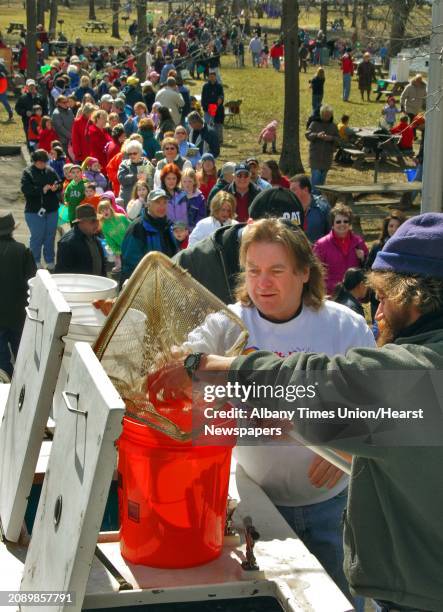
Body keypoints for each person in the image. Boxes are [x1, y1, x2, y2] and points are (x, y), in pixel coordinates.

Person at [151, 212, 443, 612]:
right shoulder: (230, 322)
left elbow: (341, 388)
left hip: (413, 583)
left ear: (414, 298)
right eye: (253, 270)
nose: (378, 311)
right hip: (261, 500)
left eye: (386, 296)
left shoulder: (420, 368)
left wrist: (224, 368)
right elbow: (396, 422)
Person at [0, 211, 36, 380]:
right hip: (18, 316)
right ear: (12, 230)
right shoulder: (22, 251)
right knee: (22, 356)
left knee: (2, 363)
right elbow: (33, 282)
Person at [120, 188, 178, 285]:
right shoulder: (138, 227)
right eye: (157, 202)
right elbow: (130, 262)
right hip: (143, 284)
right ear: (148, 204)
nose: (162, 206)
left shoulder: (168, 226)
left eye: (164, 202)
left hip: (165, 282)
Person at [314, 203, 368, 295]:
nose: (342, 224)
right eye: (338, 222)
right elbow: (315, 272)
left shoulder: (358, 242)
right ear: (332, 224)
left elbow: (367, 268)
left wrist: (363, 258)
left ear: (349, 223)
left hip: (353, 295)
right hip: (331, 296)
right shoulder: (321, 245)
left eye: (345, 221)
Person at [21, 149, 61, 270]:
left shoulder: (50, 170)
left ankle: (50, 260)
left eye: (45, 162)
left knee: (50, 235)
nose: (43, 164)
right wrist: (41, 190)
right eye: (40, 162)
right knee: (37, 236)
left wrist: (56, 187)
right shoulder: (28, 173)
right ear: (35, 162)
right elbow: (26, 190)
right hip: (34, 211)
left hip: (52, 209)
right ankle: (35, 261)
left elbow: (59, 182)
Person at [366, 210, 406, 320]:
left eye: (398, 226)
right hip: (378, 295)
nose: (394, 229)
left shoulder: (408, 247)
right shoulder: (377, 246)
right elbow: (368, 268)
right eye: (391, 226)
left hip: (399, 295)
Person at [55, 204, 106, 276]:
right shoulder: (68, 243)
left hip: (98, 285)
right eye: (93, 221)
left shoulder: (94, 236)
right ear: (81, 222)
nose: (97, 224)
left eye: (97, 221)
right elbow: (62, 275)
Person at [305, 105, 340, 193]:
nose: (326, 117)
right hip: (315, 156)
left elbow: (339, 140)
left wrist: (331, 138)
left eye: (328, 115)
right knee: (315, 180)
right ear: (321, 114)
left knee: (321, 182)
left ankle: (319, 200)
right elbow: (308, 135)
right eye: (325, 115)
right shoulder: (314, 123)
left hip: (327, 157)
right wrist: (317, 135)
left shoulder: (333, 126)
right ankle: (313, 200)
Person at [289, 174, 331, 243]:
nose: (290, 193)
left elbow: (331, 233)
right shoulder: (289, 208)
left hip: (318, 251)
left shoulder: (322, 208)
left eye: (293, 190)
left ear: (305, 190)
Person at [97, 200, 130, 274]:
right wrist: (116, 251)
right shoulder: (104, 226)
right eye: (102, 211)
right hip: (121, 248)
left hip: (131, 243)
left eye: (106, 209)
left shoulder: (121, 217)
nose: (105, 212)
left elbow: (131, 227)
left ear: (110, 208)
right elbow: (109, 241)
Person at [117, 140, 155, 206]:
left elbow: (152, 181)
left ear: (140, 153)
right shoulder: (124, 164)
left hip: (144, 201)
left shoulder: (147, 164)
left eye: (134, 153)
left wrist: (147, 179)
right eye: (130, 154)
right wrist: (135, 177)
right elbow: (121, 179)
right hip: (128, 201)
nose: (132, 156)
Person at [201, 70, 225, 145]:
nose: (212, 78)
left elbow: (222, 95)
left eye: (213, 77)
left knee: (218, 125)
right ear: (208, 77)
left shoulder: (219, 86)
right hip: (208, 108)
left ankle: (219, 140)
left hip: (217, 108)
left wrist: (221, 98)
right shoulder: (205, 86)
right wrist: (205, 106)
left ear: (215, 77)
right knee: (207, 124)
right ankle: (208, 139)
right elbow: (203, 97)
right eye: (210, 77)